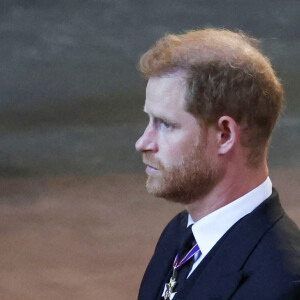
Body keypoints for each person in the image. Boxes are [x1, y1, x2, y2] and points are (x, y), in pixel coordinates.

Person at [135, 28, 300, 300]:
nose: (143, 142)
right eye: (149, 120)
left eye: (165, 124)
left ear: (224, 135)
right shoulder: (180, 235)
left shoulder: (280, 282)